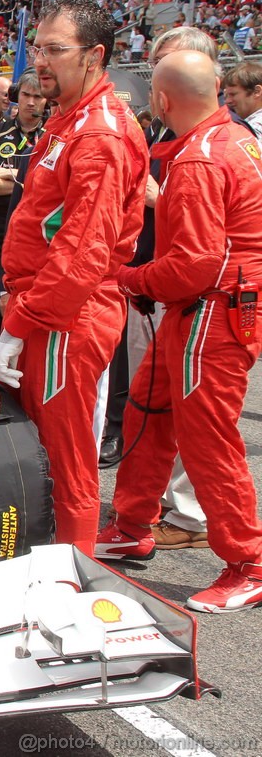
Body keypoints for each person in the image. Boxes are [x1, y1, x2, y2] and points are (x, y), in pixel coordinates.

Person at [96, 50, 262, 613]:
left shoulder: (199, 160)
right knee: (147, 409)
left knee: (207, 436)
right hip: (213, 305)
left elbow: (192, 264)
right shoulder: (231, 137)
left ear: (163, 101)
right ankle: (133, 522)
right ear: (216, 86)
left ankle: (249, 559)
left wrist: (125, 276)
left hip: (210, 309)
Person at [0, 0, 148, 552]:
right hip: (47, 309)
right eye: (38, 48)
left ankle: (67, 582)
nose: (41, 62)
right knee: (44, 450)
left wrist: (20, 324)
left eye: (56, 50)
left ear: (95, 56)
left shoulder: (100, 133)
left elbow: (83, 250)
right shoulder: (69, 118)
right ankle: (47, 572)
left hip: (66, 316)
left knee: (65, 457)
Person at [0, 70, 46, 373]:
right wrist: (26, 179)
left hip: (35, 234)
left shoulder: (54, 136)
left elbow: (47, 187)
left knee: (28, 307)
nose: (30, 103)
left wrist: (6, 173)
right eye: (26, 96)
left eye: (37, 96)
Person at [223, 61, 262, 137]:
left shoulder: (254, 129)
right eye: (226, 95)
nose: (228, 101)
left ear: (256, 92)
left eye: (233, 94)